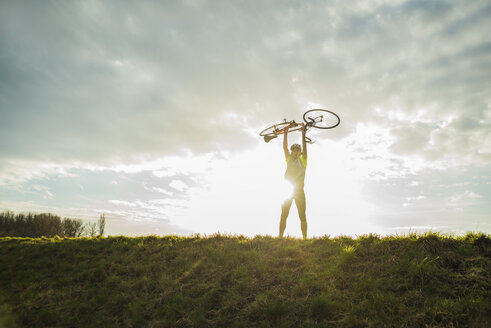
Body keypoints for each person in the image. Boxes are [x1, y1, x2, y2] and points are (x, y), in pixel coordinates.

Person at [279, 125, 308, 240]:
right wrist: (285, 133)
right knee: (283, 215)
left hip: (299, 191)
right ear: (292, 152)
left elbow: (305, 148)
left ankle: (305, 238)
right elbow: (285, 147)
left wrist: (303, 134)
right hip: (288, 190)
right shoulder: (289, 159)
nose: (295, 152)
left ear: (300, 153)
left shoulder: (303, 161)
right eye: (294, 151)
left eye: (298, 151)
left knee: (302, 216)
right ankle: (280, 237)